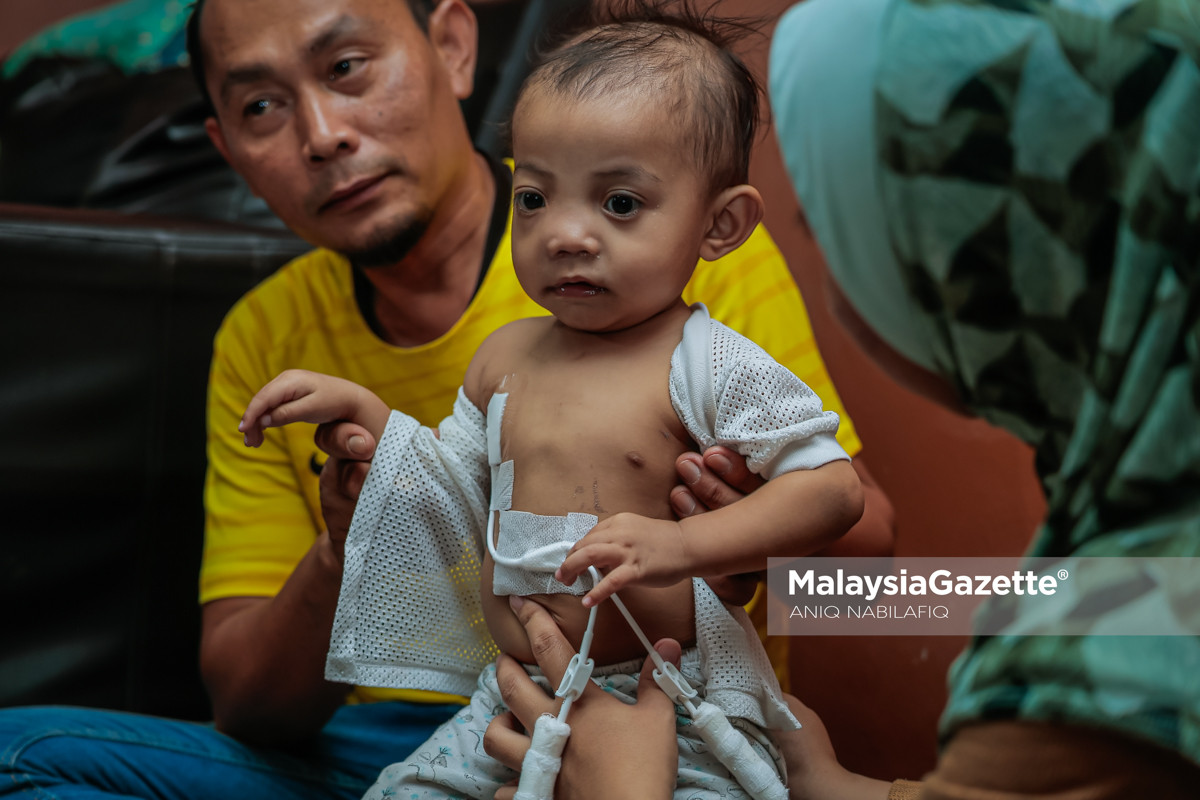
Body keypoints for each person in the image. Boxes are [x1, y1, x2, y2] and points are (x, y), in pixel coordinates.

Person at [0, 0, 892, 798]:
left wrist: (717, 549)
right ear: (226, 147)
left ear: (455, 48)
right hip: (460, 715)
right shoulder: (285, 337)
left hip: (663, 707)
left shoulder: (688, 304)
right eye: (261, 105)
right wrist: (363, 488)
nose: (322, 133)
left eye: (347, 66)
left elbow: (879, 566)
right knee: (24, 753)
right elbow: (250, 705)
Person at [489, 0, 1200, 797]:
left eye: (852, 228)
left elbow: (864, 557)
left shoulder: (1109, 670)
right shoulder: (1132, 553)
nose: (828, 264)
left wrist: (627, 781)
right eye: (534, 197)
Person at [238, 9, 863, 798]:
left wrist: (686, 548)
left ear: (719, 225)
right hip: (511, 695)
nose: (566, 234)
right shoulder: (504, 357)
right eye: (534, 198)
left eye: (621, 204)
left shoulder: (709, 361)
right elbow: (454, 488)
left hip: (673, 703)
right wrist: (374, 423)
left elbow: (834, 491)